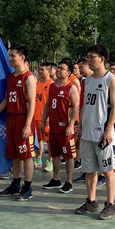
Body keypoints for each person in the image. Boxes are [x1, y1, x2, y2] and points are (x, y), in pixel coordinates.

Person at [0, 44, 37, 201]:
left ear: (22, 57)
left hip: (23, 119)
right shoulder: (11, 77)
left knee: (26, 155)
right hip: (11, 119)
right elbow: (7, 99)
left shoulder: (29, 78)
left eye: (13, 55)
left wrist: (27, 125)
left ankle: (28, 187)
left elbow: (32, 103)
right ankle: (15, 184)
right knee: (15, 154)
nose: (10, 58)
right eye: (9, 55)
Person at [74, 44, 115, 220]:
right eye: (87, 57)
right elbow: (84, 106)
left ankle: (110, 204)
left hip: (102, 133)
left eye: (91, 57)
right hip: (87, 132)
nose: (88, 60)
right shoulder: (86, 80)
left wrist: (108, 130)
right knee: (89, 170)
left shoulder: (111, 79)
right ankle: (91, 201)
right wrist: (80, 126)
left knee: (107, 170)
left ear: (101, 59)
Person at [41, 58, 80, 193]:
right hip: (53, 127)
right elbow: (47, 105)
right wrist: (43, 121)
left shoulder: (71, 87)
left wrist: (71, 125)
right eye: (58, 67)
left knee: (68, 155)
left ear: (68, 73)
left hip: (65, 128)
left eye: (62, 68)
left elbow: (76, 107)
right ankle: (56, 179)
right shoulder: (52, 86)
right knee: (55, 154)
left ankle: (68, 182)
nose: (58, 70)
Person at [34, 62, 54, 171]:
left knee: (49, 140)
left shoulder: (52, 85)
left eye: (42, 70)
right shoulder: (36, 83)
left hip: (45, 117)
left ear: (49, 71)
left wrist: (49, 116)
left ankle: (50, 161)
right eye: (39, 69)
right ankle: (38, 159)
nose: (40, 72)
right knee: (38, 139)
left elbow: (52, 103)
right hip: (35, 116)